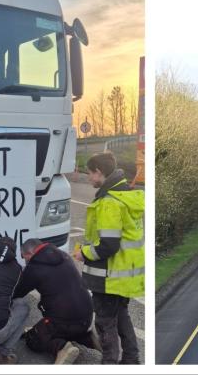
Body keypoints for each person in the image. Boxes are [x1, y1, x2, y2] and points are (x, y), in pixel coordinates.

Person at [74, 152, 144, 364]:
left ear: (100, 172)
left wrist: (83, 253)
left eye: (90, 173)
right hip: (125, 275)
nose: (88, 177)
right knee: (122, 317)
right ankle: (131, 360)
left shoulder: (109, 203)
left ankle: (109, 363)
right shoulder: (128, 196)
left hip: (108, 276)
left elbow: (108, 245)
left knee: (105, 323)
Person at [14, 238, 100, 365]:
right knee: (61, 319)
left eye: (23, 256)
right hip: (86, 316)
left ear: (29, 254)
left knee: (33, 339)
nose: (24, 260)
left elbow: (18, 292)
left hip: (65, 320)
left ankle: (62, 348)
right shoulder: (63, 256)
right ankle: (87, 338)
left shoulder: (34, 268)